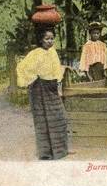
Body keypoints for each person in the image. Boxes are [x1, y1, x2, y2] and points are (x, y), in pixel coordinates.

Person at [16, 26, 70, 160]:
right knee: (42, 120)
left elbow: (55, 69)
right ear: (41, 40)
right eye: (47, 39)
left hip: (51, 87)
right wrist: (34, 78)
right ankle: (46, 153)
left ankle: (59, 151)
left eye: (52, 38)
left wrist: (62, 73)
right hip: (39, 88)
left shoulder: (53, 52)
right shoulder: (35, 53)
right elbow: (22, 67)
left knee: (59, 118)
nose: (50, 41)